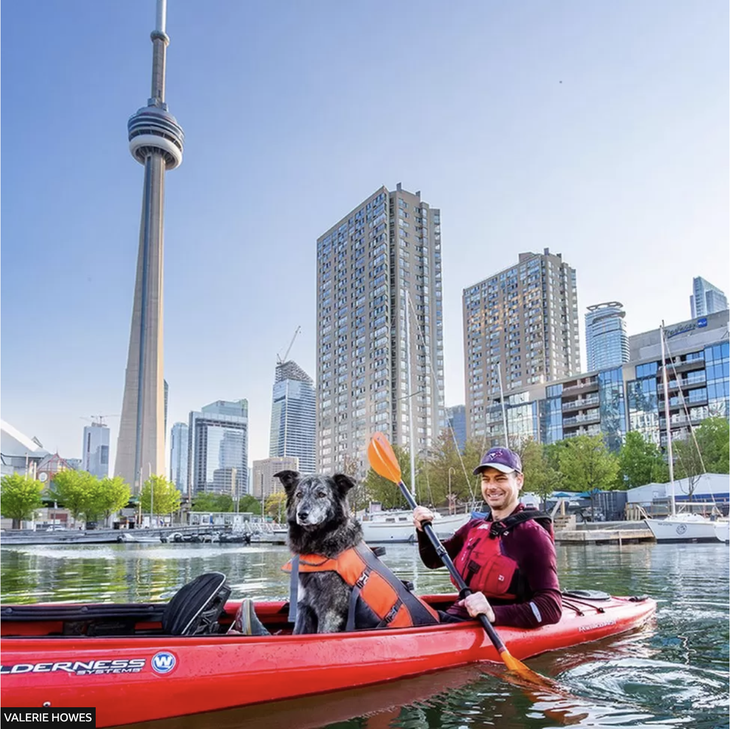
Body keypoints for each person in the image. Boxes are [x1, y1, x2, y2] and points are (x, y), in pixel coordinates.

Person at [413, 446, 562, 629]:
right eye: (486, 479)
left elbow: (551, 607)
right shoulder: (474, 527)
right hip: (457, 618)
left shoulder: (532, 535)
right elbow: (433, 560)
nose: (491, 487)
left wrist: (493, 613)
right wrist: (423, 530)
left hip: (486, 626)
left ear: (519, 481)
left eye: (500, 479)